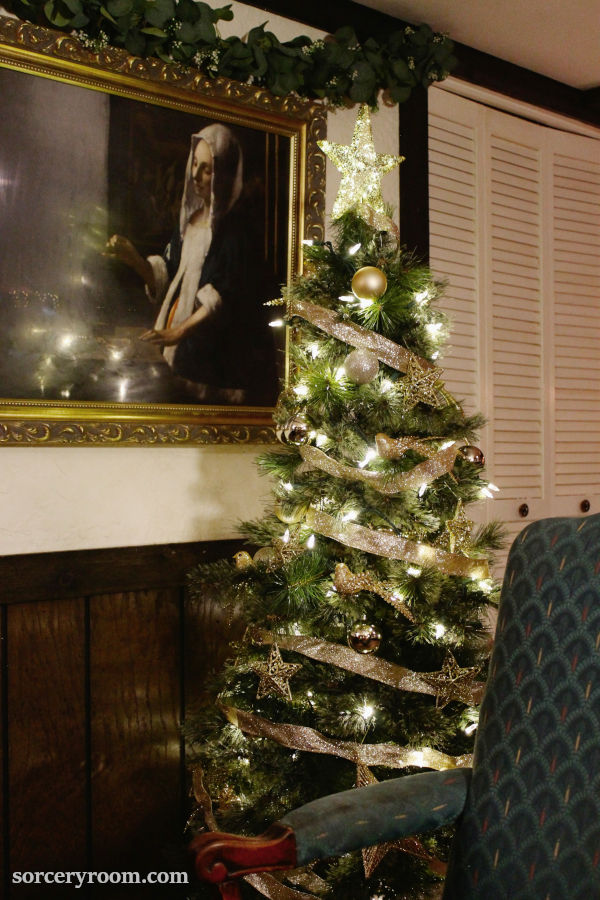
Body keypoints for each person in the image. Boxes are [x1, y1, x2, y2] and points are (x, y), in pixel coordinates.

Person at [105, 123, 277, 405]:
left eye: (207, 169)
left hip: (214, 349)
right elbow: (168, 278)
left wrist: (179, 332)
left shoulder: (236, 229)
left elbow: (225, 295)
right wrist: (132, 258)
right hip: (181, 346)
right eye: (195, 164)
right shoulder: (190, 221)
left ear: (224, 174)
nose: (195, 175)